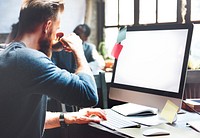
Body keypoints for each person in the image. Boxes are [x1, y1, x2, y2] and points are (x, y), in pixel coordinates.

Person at [0, 0, 106, 138]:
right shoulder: (28, 59)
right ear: (47, 25)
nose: (57, 34)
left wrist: (71, 117)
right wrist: (78, 50)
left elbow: (22, 119)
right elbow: (89, 95)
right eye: (57, 28)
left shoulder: (7, 53)